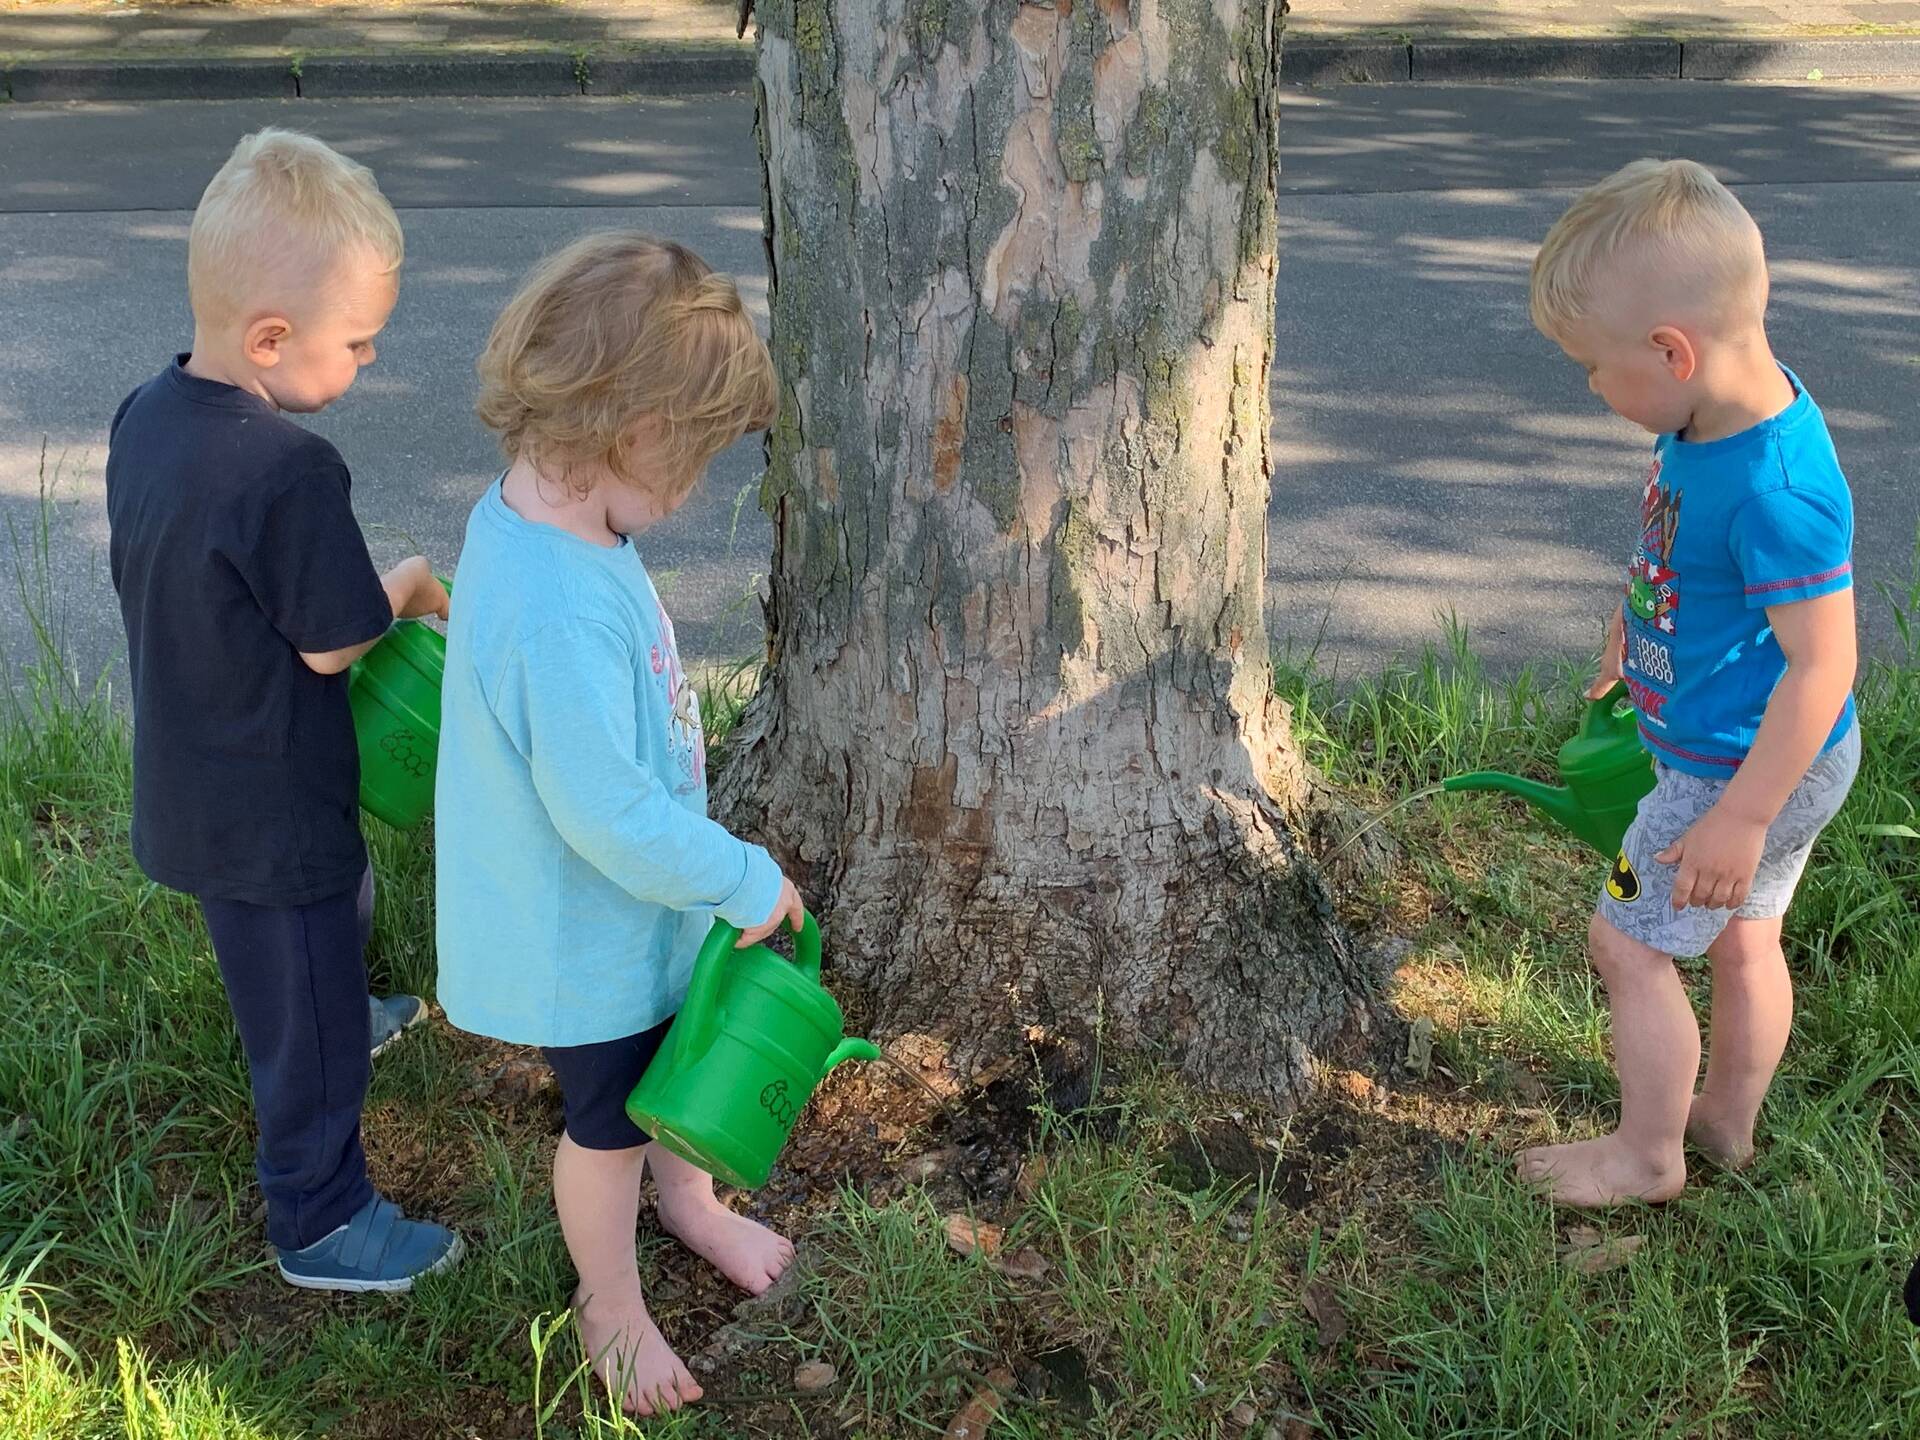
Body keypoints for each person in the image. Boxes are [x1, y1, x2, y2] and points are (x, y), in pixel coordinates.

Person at [435, 232, 803, 1415]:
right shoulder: (555, 605)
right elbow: (599, 812)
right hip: (575, 923)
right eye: (687, 463)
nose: (689, 493)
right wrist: (741, 877)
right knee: (607, 1116)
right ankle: (610, 1303)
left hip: (628, 902)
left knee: (677, 1053)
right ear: (622, 432)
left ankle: (688, 1203)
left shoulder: (551, 517)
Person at [104, 129, 461, 1288]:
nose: (367, 360)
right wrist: (406, 585)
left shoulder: (143, 419)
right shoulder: (291, 470)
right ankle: (319, 1217)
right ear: (271, 338)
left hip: (191, 774)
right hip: (278, 802)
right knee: (302, 1021)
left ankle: (336, 1009)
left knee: (302, 950)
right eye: (357, 343)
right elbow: (337, 641)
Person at [1517, 158, 1859, 1208]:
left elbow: (1824, 661)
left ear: (1672, 350)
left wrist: (1739, 818)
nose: (1592, 387)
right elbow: (1683, 558)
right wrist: (1635, 624)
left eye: (1595, 367)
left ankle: (1646, 1157)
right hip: (1746, 764)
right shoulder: (1701, 419)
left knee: (1625, 946)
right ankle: (1723, 1125)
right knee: (1747, 938)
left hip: (1736, 774)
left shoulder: (1776, 487)